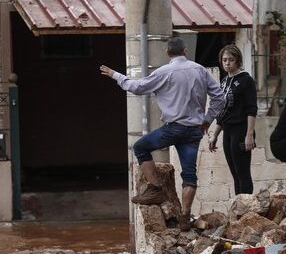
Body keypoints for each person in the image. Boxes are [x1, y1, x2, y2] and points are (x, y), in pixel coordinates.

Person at [99, 37, 224, 231]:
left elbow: (137, 87)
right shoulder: (200, 69)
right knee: (190, 175)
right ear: (185, 51)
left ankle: (156, 189)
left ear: (168, 54)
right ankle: (184, 216)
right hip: (194, 130)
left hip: (173, 128)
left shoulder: (164, 72)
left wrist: (116, 75)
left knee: (140, 147)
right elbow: (219, 97)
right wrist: (208, 119)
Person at [208, 44, 258, 195]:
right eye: (224, 60)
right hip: (228, 130)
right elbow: (224, 112)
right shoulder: (224, 81)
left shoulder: (246, 80)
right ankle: (239, 206)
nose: (227, 63)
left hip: (241, 129)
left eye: (231, 59)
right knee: (235, 173)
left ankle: (247, 206)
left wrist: (249, 135)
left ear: (238, 61)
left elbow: (251, 109)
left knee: (243, 172)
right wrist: (215, 134)